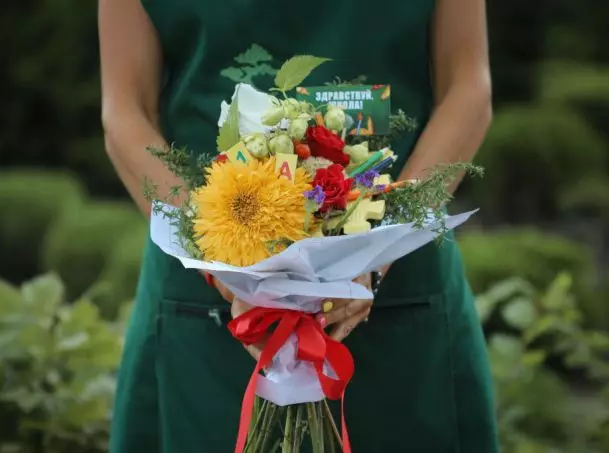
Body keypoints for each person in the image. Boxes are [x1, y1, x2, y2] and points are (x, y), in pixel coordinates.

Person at [98, 0, 499, 451]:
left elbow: (467, 89)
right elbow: (125, 111)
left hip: (398, 294)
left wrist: (376, 254)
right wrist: (224, 265)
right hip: (207, 310)